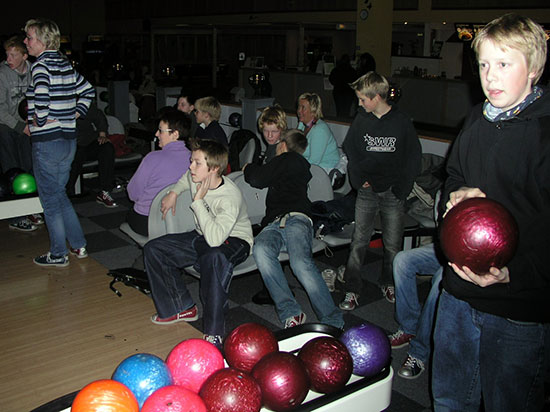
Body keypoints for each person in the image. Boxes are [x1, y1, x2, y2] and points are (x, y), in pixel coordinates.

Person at [431, 14, 550, 412]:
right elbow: (453, 175)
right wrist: (456, 193)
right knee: (449, 400)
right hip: (458, 295)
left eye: (503, 64)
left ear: (533, 68)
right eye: (483, 64)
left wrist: (515, 274)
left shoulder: (544, 134)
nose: (489, 77)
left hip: (517, 305)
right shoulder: (476, 122)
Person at [143, 138, 252, 348]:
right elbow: (185, 179)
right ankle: (180, 306)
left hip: (235, 240)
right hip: (204, 234)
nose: (190, 167)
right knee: (154, 249)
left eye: (197, 163)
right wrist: (174, 193)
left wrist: (199, 202)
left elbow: (215, 240)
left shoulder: (230, 197)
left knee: (213, 257)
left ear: (213, 169)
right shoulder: (195, 177)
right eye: (191, 161)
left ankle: (214, 332)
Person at [243, 129, 344, 330]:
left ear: (283, 145)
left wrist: (247, 167)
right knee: (261, 251)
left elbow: (257, 178)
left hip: (296, 219)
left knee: (300, 263)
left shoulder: (288, 159)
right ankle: (291, 311)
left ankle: (332, 320)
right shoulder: (293, 165)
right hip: (275, 223)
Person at [338, 71, 421, 311]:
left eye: (363, 99)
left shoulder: (401, 121)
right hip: (367, 191)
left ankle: (389, 282)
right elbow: (350, 149)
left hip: (393, 192)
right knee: (359, 241)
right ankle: (352, 288)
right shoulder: (362, 120)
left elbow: (413, 158)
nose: (360, 103)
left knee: (392, 244)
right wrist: (359, 179)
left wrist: (401, 190)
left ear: (377, 97)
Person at [24, 18, 95, 267]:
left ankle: (58, 253)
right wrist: (75, 113)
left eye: (29, 37)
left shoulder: (40, 65)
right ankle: (79, 245)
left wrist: (38, 118)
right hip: (68, 141)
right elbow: (88, 90)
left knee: (50, 200)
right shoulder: (64, 64)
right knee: (59, 195)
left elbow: (41, 98)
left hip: (48, 142)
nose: (26, 42)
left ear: (43, 40)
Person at [0, 35, 44, 232]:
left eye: (13, 55)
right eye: (7, 55)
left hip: (26, 126)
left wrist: (33, 123)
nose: (8, 59)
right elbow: (0, 109)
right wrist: (20, 127)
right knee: (12, 170)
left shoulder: (34, 72)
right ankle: (16, 216)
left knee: (29, 166)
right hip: (7, 127)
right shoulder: (2, 73)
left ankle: (31, 208)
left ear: (24, 56)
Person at [126, 110, 192, 236]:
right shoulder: (195, 159)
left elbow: (133, 194)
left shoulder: (152, 158)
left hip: (150, 221)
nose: (156, 134)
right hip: (183, 220)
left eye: (161, 131)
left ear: (175, 134)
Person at [387, 243, 444, 379]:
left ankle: (419, 351)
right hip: (448, 247)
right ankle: (409, 328)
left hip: (472, 256)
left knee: (440, 282)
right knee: (402, 260)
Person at [66, 101, 117, 207]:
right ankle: (66, 194)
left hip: (87, 141)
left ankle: (105, 191)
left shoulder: (82, 105)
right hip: (70, 144)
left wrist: (102, 133)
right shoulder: (58, 105)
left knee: (106, 147)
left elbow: (99, 117)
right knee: (75, 156)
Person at [296, 93, 340, 174]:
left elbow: (314, 162)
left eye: (303, 108)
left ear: (313, 111)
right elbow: (295, 149)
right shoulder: (301, 125)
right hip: (308, 165)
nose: (299, 111)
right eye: (299, 107)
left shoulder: (320, 130)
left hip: (324, 168)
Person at [329, 54, 358, 118]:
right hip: (348, 92)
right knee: (346, 110)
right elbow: (355, 81)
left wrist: (337, 84)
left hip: (338, 91)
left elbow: (331, 79)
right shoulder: (352, 71)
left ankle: (339, 121)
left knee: (339, 109)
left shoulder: (336, 70)